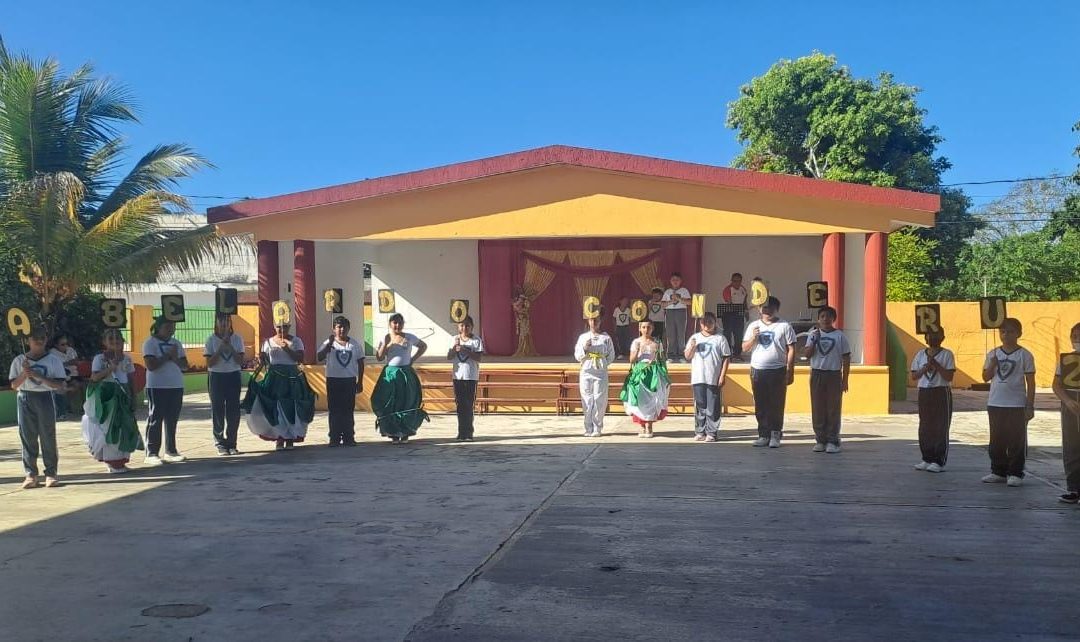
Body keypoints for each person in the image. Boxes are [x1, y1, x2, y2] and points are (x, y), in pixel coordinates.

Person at [9, 327, 67, 489]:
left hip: (45, 397)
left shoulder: (53, 360)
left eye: (42, 337)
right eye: (35, 338)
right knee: (27, 436)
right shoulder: (19, 360)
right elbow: (14, 385)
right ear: (28, 340)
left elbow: (59, 384)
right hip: (25, 397)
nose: (39, 341)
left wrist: (38, 375)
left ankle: (51, 473)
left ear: (46, 340)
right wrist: (24, 374)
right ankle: (30, 474)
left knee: (48, 435)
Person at [980, 317, 1035, 487]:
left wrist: (1029, 405)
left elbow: (1031, 382)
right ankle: (998, 471)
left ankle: (1015, 472)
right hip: (996, 402)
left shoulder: (1024, 355)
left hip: (1016, 403)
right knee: (996, 439)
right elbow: (985, 377)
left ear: (1019, 333)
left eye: (1010, 331)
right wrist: (992, 365)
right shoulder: (993, 353)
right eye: (1003, 331)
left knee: (1016, 440)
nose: (1006, 335)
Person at [244, 320, 315, 450]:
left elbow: (299, 358)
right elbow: (264, 362)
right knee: (277, 407)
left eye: (285, 327)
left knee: (291, 407)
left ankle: (290, 438)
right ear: (274, 326)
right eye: (279, 327)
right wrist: (260, 359)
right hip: (274, 379)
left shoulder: (296, 341)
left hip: (292, 378)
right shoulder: (267, 342)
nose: (282, 330)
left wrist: (286, 348)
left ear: (289, 327)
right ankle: (279, 438)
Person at [82, 329, 143, 473]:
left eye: (118, 339)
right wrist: (111, 368)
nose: (115, 342)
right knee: (110, 427)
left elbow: (130, 378)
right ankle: (112, 462)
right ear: (104, 342)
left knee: (124, 426)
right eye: (110, 339)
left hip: (123, 394)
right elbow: (95, 377)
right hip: (107, 396)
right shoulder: (99, 359)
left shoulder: (127, 358)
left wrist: (133, 397)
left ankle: (121, 460)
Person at [742, 296, 796, 448]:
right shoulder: (753, 325)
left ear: (776, 309)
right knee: (761, 403)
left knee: (776, 403)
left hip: (777, 369)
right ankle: (763, 434)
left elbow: (791, 348)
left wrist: (790, 369)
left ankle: (775, 433)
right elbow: (745, 348)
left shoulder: (784, 326)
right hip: (758, 369)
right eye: (764, 307)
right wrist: (754, 337)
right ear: (759, 309)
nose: (767, 311)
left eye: (771, 308)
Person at [372, 313, 429, 443]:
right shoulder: (386, 337)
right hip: (390, 374)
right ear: (390, 324)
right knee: (391, 402)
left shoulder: (409, 337)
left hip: (405, 374)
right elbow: (379, 357)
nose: (397, 325)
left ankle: (405, 432)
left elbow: (423, 346)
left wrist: (412, 360)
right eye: (394, 323)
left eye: (400, 323)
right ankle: (393, 432)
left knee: (406, 401)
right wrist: (386, 344)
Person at [803, 306, 851, 453]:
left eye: (828, 316)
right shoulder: (813, 334)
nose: (825, 319)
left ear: (833, 319)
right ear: (818, 319)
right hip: (817, 373)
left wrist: (845, 379)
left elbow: (846, 357)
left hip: (833, 374)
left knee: (833, 408)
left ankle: (833, 440)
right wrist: (814, 341)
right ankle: (820, 439)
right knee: (817, 407)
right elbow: (807, 354)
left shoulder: (840, 336)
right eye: (822, 316)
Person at [142, 316, 188, 466]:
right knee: (155, 418)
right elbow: (151, 365)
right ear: (159, 327)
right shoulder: (150, 343)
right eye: (167, 326)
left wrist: (175, 357)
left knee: (172, 419)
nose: (171, 329)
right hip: (157, 386)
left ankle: (171, 450)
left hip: (175, 385)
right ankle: (152, 452)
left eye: (173, 326)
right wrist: (166, 356)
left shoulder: (177, 344)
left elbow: (185, 366)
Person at [911, 328, 955, 473]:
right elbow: (914, 376)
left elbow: (949, 376)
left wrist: (936, 365)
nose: (932, 338)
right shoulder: (920, 354)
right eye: (929, 335)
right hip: (924, 391)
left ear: (942, 336)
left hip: (941, 391)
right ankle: (926, 458)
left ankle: (939, 460)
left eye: (936, 335)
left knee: (940, 426)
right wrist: (925, 368)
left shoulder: (947, 354)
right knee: (925, 426)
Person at [317, 316, 365, 447]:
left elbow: (360, 363)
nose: (341, 329)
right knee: (334, 410)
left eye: (344, 326)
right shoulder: (329, 342)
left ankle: (349, 436)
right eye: (338, 327)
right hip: (333, 379)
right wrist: (328, 346)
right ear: (334, 329)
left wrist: (360, 381)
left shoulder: (354, 344)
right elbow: (319, 357)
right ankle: (334, 437)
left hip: (349, 380)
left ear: (349, 328)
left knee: (348, 410)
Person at [684, 312, 731, 443]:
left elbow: (726, 357)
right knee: (700, 405)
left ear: (715, 322)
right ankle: (700, 431)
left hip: (713, 377)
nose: (707, 324)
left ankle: (712, 432)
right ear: (700, 323)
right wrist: (692, 346)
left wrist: (722, 375)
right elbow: (687, 356)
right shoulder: (695, 337)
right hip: (698, 377)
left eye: (710, 321)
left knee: (713, 406)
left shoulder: (720, 339)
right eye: (704, 322)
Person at [620, 320, 669, 438]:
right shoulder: (636, 342)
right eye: (643, 327)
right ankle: (642, 426)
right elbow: (632, 360)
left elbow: (662, 358)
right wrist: (637, 351)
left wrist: (659, 355)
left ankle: (650, 426)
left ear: (652, 328)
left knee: (652, 400)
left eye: (648, 327)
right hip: (640, 373)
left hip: (652, 372)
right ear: (640, 328)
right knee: (640, 399)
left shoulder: (657, 342)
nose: (646, 330)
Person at [204, 313, 245, 456]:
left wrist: (230, 345)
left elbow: (240, 361)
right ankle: (220, 443)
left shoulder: (237, 338)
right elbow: (209, 363)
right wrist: (221, 346)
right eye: (220, 322)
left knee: (233, 411)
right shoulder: (211, 340)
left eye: (226, 322)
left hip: (233, 375)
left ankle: (232, 443)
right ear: (216, 324)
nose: (223, 325)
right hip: (217, 376)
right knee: (218, 410)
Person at [574, 312, 616, 437]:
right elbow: (577, 355)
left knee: (599, 398)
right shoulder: (583, 337)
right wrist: (585, 349)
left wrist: (602, 363)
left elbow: (611, 355)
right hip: (586, 370)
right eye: (591, 320)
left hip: (600, 371)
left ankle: (598, 427)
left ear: (600, 321)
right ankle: (588, 427)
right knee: (587, 398)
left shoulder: (606, 338)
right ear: (588, 322)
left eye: (596, 320)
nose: (594, 322)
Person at [1052, 322, 1080, 503]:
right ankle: (1074, 489)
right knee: (1071, 447)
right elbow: (1056, 384)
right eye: (1074, 336)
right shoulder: (1065, 360)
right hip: (1070, 406)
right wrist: (1067, 400)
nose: (1077, 340)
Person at [447, 315, 483, 441]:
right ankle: (461, 432)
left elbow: (478, 358)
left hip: (471, 376)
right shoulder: (454, 339)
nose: (464, 328)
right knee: (460, 405)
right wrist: (454, 348)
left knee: (468, 405)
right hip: (458, 376)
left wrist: (464, 350)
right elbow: (449, 357)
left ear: (472, 327)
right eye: (462, 325)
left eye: (467, 325)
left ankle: (469, 432)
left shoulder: (476, 340)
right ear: (458, 327)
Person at [49, 334, 80, 420]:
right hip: (60, 375)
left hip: (73, 374)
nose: (65, 346)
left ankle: (67, 405)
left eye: (66, 344)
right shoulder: (52, 353)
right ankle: (61, 410)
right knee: (61, 388)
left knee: (76, 385)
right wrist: (69, 363)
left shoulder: (70, 350)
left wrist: (67, 363)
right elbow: (57, 366)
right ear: (56, 345)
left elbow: (76, 361)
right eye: (62, 344)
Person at [662, 273, 691, 362]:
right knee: (670, 334)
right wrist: (672, 301)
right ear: (670, 281)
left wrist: (679, 299)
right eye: (673, 280)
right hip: (670, 312)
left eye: (677, 280)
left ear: (680, 281)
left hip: (681, 312)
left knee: (681, 334)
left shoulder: (684, 290)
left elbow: (689, 302)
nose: (675, 282)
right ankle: (671, 355)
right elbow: (663, 304)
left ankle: (681, 355)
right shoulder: (667, 291)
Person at [721, 273, 748, 360]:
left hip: (739, 314)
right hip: (729, 313)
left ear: (741, 281)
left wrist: (746, 312)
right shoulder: (727, 289)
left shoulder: (743, 289)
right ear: (731, 281)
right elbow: (729, 302)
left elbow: (745, 302)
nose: (736, 283)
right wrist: (738, 309)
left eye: (738, 281)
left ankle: (737, 353)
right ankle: (728, 354)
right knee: (728, 334)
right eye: (734, 281)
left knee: (739, 334)